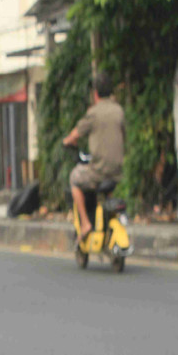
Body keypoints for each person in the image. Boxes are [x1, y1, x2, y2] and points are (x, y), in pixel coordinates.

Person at [62, 72, 125, 240]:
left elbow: (75, 134)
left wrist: (67, 141)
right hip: (118, 171)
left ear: (95, 93)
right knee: (107, 188)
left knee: (74, 178)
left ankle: (85, 223)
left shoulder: (93, 113)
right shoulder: (119, 111)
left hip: (98, 171)